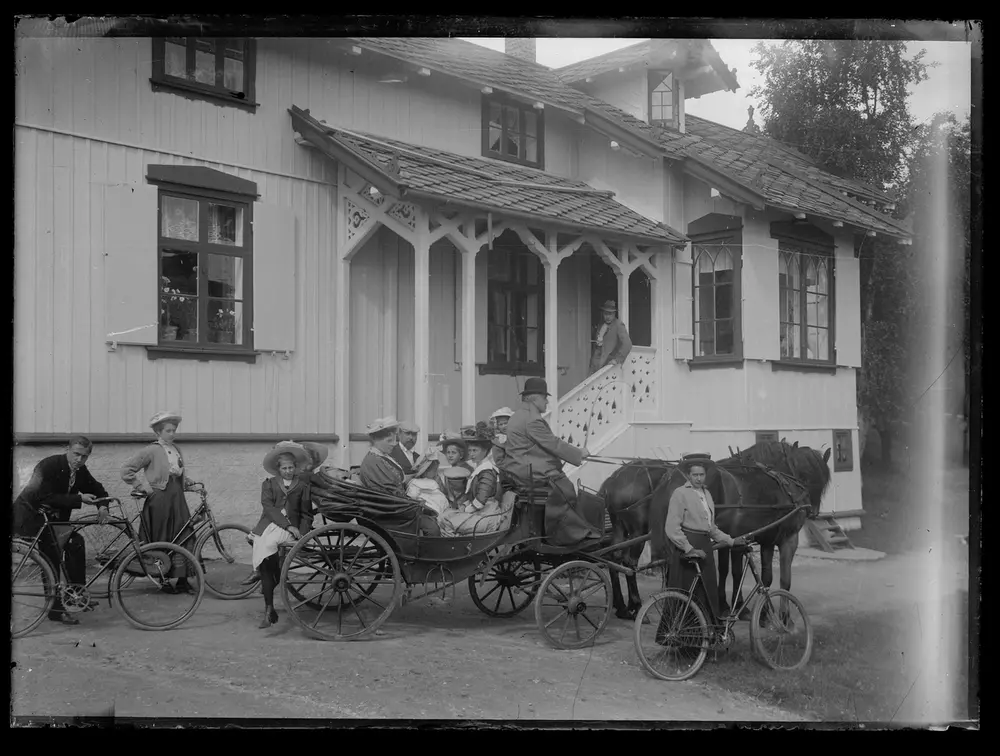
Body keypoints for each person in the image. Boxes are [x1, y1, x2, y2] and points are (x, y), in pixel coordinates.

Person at [13, 436, 111, 625]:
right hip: (32, 517)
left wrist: (103, 506)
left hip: (54, 520)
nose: (79, 460)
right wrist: (79, 499)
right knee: (51, 559)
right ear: (67, 449)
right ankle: (55, 611)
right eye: (76, 454)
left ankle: (77, 595)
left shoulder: (80, 471)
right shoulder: (48, 465)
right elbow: (44, 497)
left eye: (84, 456)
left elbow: (97, 489)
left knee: (76, 543)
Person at [501, 378, 600, 546]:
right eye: (544, 397)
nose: (546, 401)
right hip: (531, 473)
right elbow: (553, 443)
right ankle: (570, 534)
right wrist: (579, 454)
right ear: (534, 398)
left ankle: (568, 530)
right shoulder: (532, 419)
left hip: (520, 470)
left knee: (562, 483)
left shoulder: (518, 416)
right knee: (565, 488)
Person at [658, 457, 745, 642]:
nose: (698, 478)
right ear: (688, 476)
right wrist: (689, 549)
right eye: (695, 474)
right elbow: (672, 528)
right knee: (687, 592)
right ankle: (682, 639)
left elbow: (711, 528)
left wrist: (731, 541)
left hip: (705, 546)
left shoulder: (707, 495)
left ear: (706, 476)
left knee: (707, 592)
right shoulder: (680, 494)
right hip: (688, 546)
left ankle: (705, 639)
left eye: (701, 474)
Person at [120, 411, 203, 595]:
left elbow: (175, 474)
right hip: (160, 500)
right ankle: (163, 580)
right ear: (158, 432)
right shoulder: (151, 450)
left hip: (177, 499)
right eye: (168, 430)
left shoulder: (176, 449)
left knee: (184, 534)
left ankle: (182, 580)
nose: (172, 434)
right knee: (161, 537)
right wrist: (142, 487)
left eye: (174, 430)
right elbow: (127, 470)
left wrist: (190, 484)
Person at [251, 443, 315, 629]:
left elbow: (306, 513)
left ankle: (266, 584)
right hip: (270, 525)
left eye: (290, 468)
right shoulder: (269, 484)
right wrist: (286, 524)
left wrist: (302, 532)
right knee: (267, 561)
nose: (288, 471)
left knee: (269, 562)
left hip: (290, 530)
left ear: (295, 468)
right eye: (284, 468)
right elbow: (269, 508)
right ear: (278, 469)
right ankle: (269, 608)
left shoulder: (302, 486)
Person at [439, 422, 512, 537]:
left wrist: (465, 510)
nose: (471, 454)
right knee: (443, 517)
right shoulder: (479, 469)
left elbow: (480, 500)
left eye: (475, 451)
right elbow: (474, 497)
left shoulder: (487, 471)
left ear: (485, 451)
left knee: (447, 521)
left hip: (487, 516)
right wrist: (464, 505)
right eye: (470, 451)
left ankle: (456, 547)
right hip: (481, 513)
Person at [358, 416, 410, 496]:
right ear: (375, 440)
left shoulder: (383, 456)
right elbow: (387, 492)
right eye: (389, 440)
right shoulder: (373, 462)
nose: (393, 444)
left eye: (395, 440)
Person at [589, 300, 633, 375]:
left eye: (610, 314)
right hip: (597, 366)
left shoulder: (618, 325)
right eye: (606, 313)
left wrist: (617, 359)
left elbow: (627, 344)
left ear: (614, 313)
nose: (608, 316)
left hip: (609, 366)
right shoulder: (601, 325)